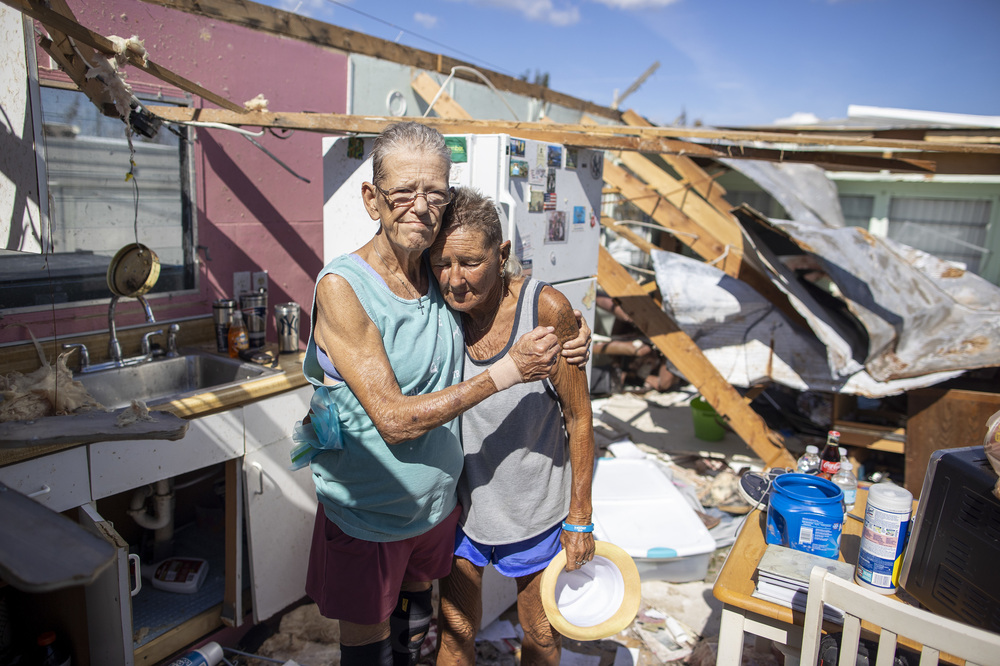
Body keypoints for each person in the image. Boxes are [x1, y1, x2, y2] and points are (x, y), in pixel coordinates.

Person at [296, 122, 590, 666]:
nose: (419, 206)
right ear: (371, 199)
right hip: (371, 513)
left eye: (433, 192)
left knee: (416, 640)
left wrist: (572, 326)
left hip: (434, 513)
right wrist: (508, 371)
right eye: (402, 192)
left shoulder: (434, 272)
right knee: (371, 652)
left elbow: (501, 284)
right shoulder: (343, 287)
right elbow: (393, 419)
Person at [431, 187, 597, 666]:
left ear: (501, 254)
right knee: (455, 633)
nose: (455, 280)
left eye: (470, 262)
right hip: (465, 509)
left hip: (536, 511)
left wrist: (580, 517)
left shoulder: (544, 311)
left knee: (540, 633)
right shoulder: (439, 310)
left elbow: (579, 417)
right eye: (443, 263)